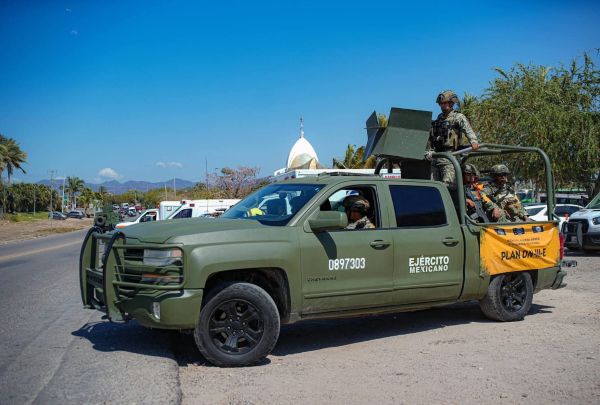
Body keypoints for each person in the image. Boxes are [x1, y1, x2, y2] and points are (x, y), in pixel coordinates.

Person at [428, 90, 480, 189]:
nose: (442, 106)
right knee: (434, 186)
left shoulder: (458, 117)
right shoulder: (439, 117)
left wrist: (473, 141)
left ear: (451, 103)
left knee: (448, 185)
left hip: (450, 156)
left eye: (444, 103)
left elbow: (468, 130)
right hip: (437, 156)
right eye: (440, 104)